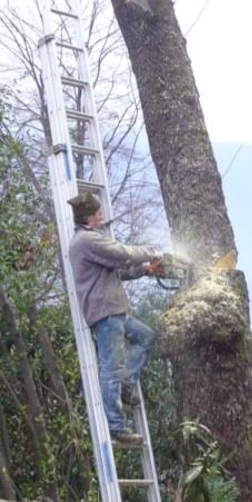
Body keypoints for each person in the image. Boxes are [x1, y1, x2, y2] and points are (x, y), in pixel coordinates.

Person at [67, 191, 158, 445]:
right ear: (88, 217)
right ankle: (117, 427)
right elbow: (121, 253)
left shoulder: (89, 241)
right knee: (111, 368)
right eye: (98, 212)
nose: (101, 215)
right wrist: (151, 252)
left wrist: (145, 270)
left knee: (146, 337)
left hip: (115, 310)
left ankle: (127, 384)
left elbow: (118, 271)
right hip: (106, 312)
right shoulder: (87, 241)